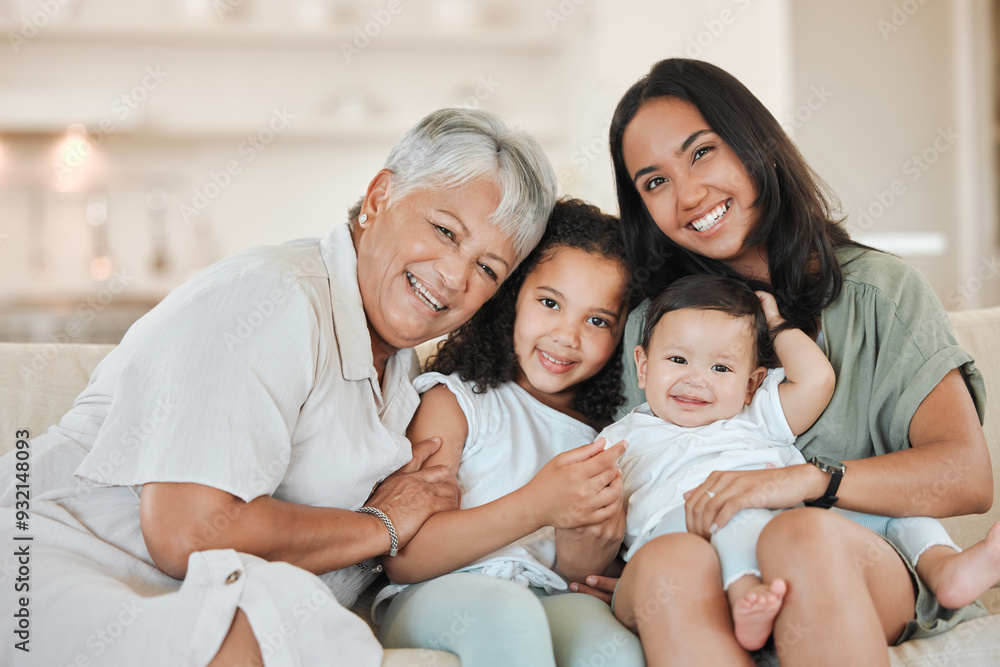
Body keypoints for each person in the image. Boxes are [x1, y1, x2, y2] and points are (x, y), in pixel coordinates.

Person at [0, 108, 557, 666]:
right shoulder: (273, 297)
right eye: (444, 231)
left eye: (488, 268)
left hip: (197, 599)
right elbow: (188, 531)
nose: (455, 277)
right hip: (55, 566)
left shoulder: (405, 375)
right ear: (379, 196)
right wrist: (381, 526)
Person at [569, 58, 995, 667]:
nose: (688, 195)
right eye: (654, 182)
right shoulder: (651, 324)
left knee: (799, 534)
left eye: (702, 152)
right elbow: (643, 475)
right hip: (715, 574)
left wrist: (809, 480)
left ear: (756, 143)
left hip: (858, 561)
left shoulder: (882, 293)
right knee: (668, 563)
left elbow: (967, 477)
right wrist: (628, 570)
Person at [599, 274, 1000, 655]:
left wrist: (777, 325)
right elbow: (594, 510)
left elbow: (816, 380)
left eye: (721, 368)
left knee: (894, 505)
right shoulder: (620, 439)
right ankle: (744, 594)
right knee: (733, 510)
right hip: (689, 532)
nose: (696, 380)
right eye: (677, 359)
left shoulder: (754, 414)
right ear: (643, 366)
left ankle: (944, 566)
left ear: (751, 383)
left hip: (788, 532)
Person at [373, 198, 646, 667]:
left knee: (613, 647)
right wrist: (538, 504)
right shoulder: (456, 402)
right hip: (437, 596)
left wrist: (589, 558)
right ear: (512, 296)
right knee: (510, 613)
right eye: (550, 303)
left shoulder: (609, 439)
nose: (567, 336)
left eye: (597, 320)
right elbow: (404, 558)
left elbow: (579, 575)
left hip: (548, 596)